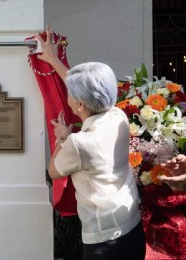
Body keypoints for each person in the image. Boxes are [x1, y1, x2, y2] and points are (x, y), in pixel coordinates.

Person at [36, 27, 145, 259]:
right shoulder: (118, 116)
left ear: (80, 105)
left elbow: (54, 171)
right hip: (132, 227)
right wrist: (54, 60)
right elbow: (88, 92)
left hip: (104, 242)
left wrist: (62, 137)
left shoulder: (78, 143)